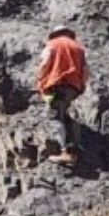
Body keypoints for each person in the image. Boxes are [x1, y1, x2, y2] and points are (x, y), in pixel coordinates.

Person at [37, 25, 88, 165]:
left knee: (55, 117)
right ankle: (75, 149)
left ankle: (64, 152)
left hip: (57, 84)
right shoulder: (79, 48)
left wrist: (40, 80)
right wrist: (81, 87)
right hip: (73, 87)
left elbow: (45, 63)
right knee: (65, 114)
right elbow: (85, 71)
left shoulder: (53, 44)